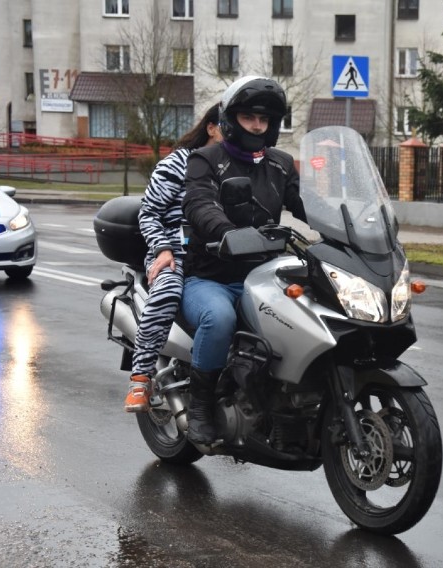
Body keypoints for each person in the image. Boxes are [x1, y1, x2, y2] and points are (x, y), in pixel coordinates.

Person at [181, 76, 306, 444]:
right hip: (210, 276)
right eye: (249, 116)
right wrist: (225, 232)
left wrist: (353, 222)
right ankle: (200, 405)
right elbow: (199, 203)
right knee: (219, 318)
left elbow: (308, 205)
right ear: (231, 119)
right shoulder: (207, 159)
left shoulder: (281, 164)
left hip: (266, 277)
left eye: (263, 119)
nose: (256, 125)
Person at [124, 104, 222, 412]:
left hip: (220, 256)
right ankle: (140, 379)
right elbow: (149, 213)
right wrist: (162, 249)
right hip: (175, 252)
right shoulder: (179, 162)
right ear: (211, 127)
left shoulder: (234, 167)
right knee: (166, 290)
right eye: (229, 125)